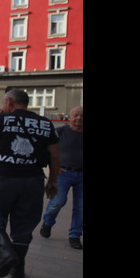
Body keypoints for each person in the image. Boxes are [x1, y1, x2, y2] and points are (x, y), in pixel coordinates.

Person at [0, 89, 60, 278]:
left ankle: (6, 252)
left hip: (2, 179)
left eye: (5, 103)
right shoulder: (46, 123)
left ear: (10, 103)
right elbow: (55, 155)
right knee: (24, 224)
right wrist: (53, 180)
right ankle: (18, 270)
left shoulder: (1, 119)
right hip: (33, 180)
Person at [40, 106, 83, 249]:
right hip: (64, 173)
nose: (79, 118)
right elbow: (44, 149)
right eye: (76, 115)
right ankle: (48, 222)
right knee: (58, 201)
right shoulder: (60, 132)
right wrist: (53, 167)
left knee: (81, 207)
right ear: (69, 118)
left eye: (82, 115)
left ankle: (75, 236)